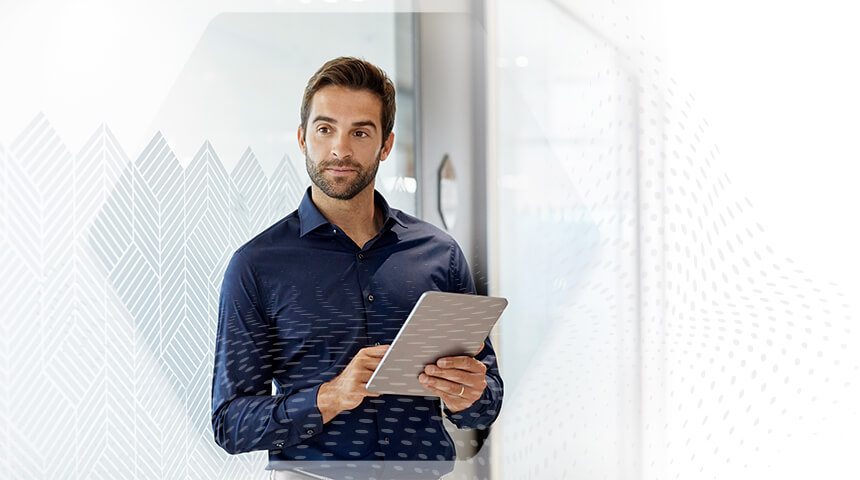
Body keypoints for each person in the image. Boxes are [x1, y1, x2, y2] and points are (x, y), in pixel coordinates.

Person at [210, 57, 503, 468]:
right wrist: (329, 397)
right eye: (325, 128)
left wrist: (469, 394)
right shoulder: (256, 266)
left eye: (360, 132)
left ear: (386, 145)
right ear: (301, 138)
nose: (339, 149)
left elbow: (486, 402)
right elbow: (230, 422)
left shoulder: (440, 255)